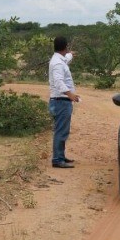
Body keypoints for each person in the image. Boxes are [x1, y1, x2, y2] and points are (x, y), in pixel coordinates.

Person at [48, 36, 80, 168]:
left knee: (62, 130)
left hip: (61, 101)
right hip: (61, 101)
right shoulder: (57, 63)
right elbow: (58, 82)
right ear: (65, 46)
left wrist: (70, 55)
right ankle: (57, 159)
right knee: (61, 131)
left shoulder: (59, 60)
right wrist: (70, 94)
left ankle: (60, 156)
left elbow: (66, 60)